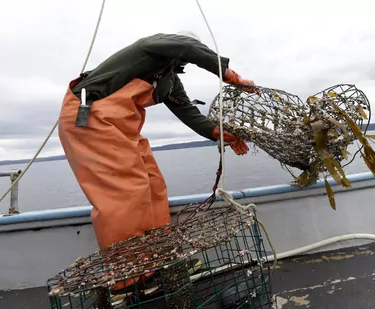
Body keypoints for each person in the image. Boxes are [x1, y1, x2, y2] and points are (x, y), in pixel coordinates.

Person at [57, 31, 257, 290]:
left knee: (153, 186)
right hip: (89, 117)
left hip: (120, 128)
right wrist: (231, 75)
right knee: (126, 194)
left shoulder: (169, 81)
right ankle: (126, 280)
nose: (181, 61)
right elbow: (186, 45)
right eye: (182, 56)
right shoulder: (149, 47)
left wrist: (221, 135)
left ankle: (158, 263)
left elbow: (189, 113)